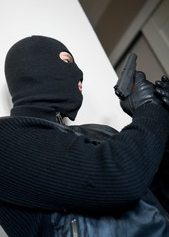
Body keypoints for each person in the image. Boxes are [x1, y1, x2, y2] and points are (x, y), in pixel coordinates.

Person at [0, 35, 169, 237]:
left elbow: (158, 195)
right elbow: (118, 178)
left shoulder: (99, 132)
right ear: (32, 68)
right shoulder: (5, 141)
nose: (79, 73)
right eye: (67, 61)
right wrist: (150, 109)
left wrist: (165, 124)